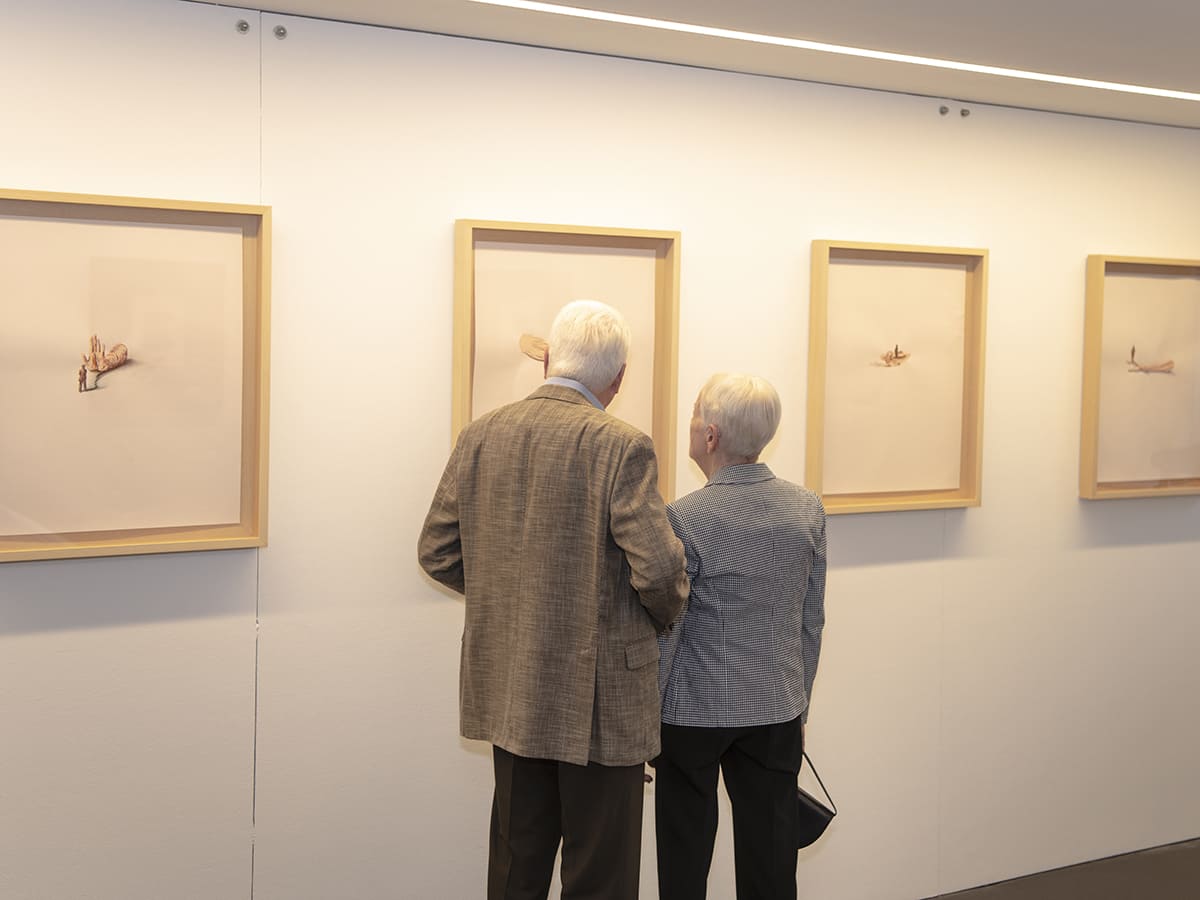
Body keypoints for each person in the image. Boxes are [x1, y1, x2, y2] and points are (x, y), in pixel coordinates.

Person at [418, 299, 688, 900]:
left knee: (516, 869)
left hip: (512, 685)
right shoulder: (622, 446)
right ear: (618, 377)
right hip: (600, 697)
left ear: (549, 362)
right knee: (600, 877)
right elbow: (661, 570)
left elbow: (436, 551)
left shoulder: (481, 435)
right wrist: (661, 616)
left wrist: (507, 598)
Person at [655, 373, 827, 900]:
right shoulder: (806, 509)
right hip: (776, 707)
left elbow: (668, 629)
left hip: (691, 712)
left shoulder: (684, 516)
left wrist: (646, 714)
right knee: (771, 862)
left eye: (693, 415)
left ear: (710, 435)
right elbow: (811, 619)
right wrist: (800, 705)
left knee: (684, 861)